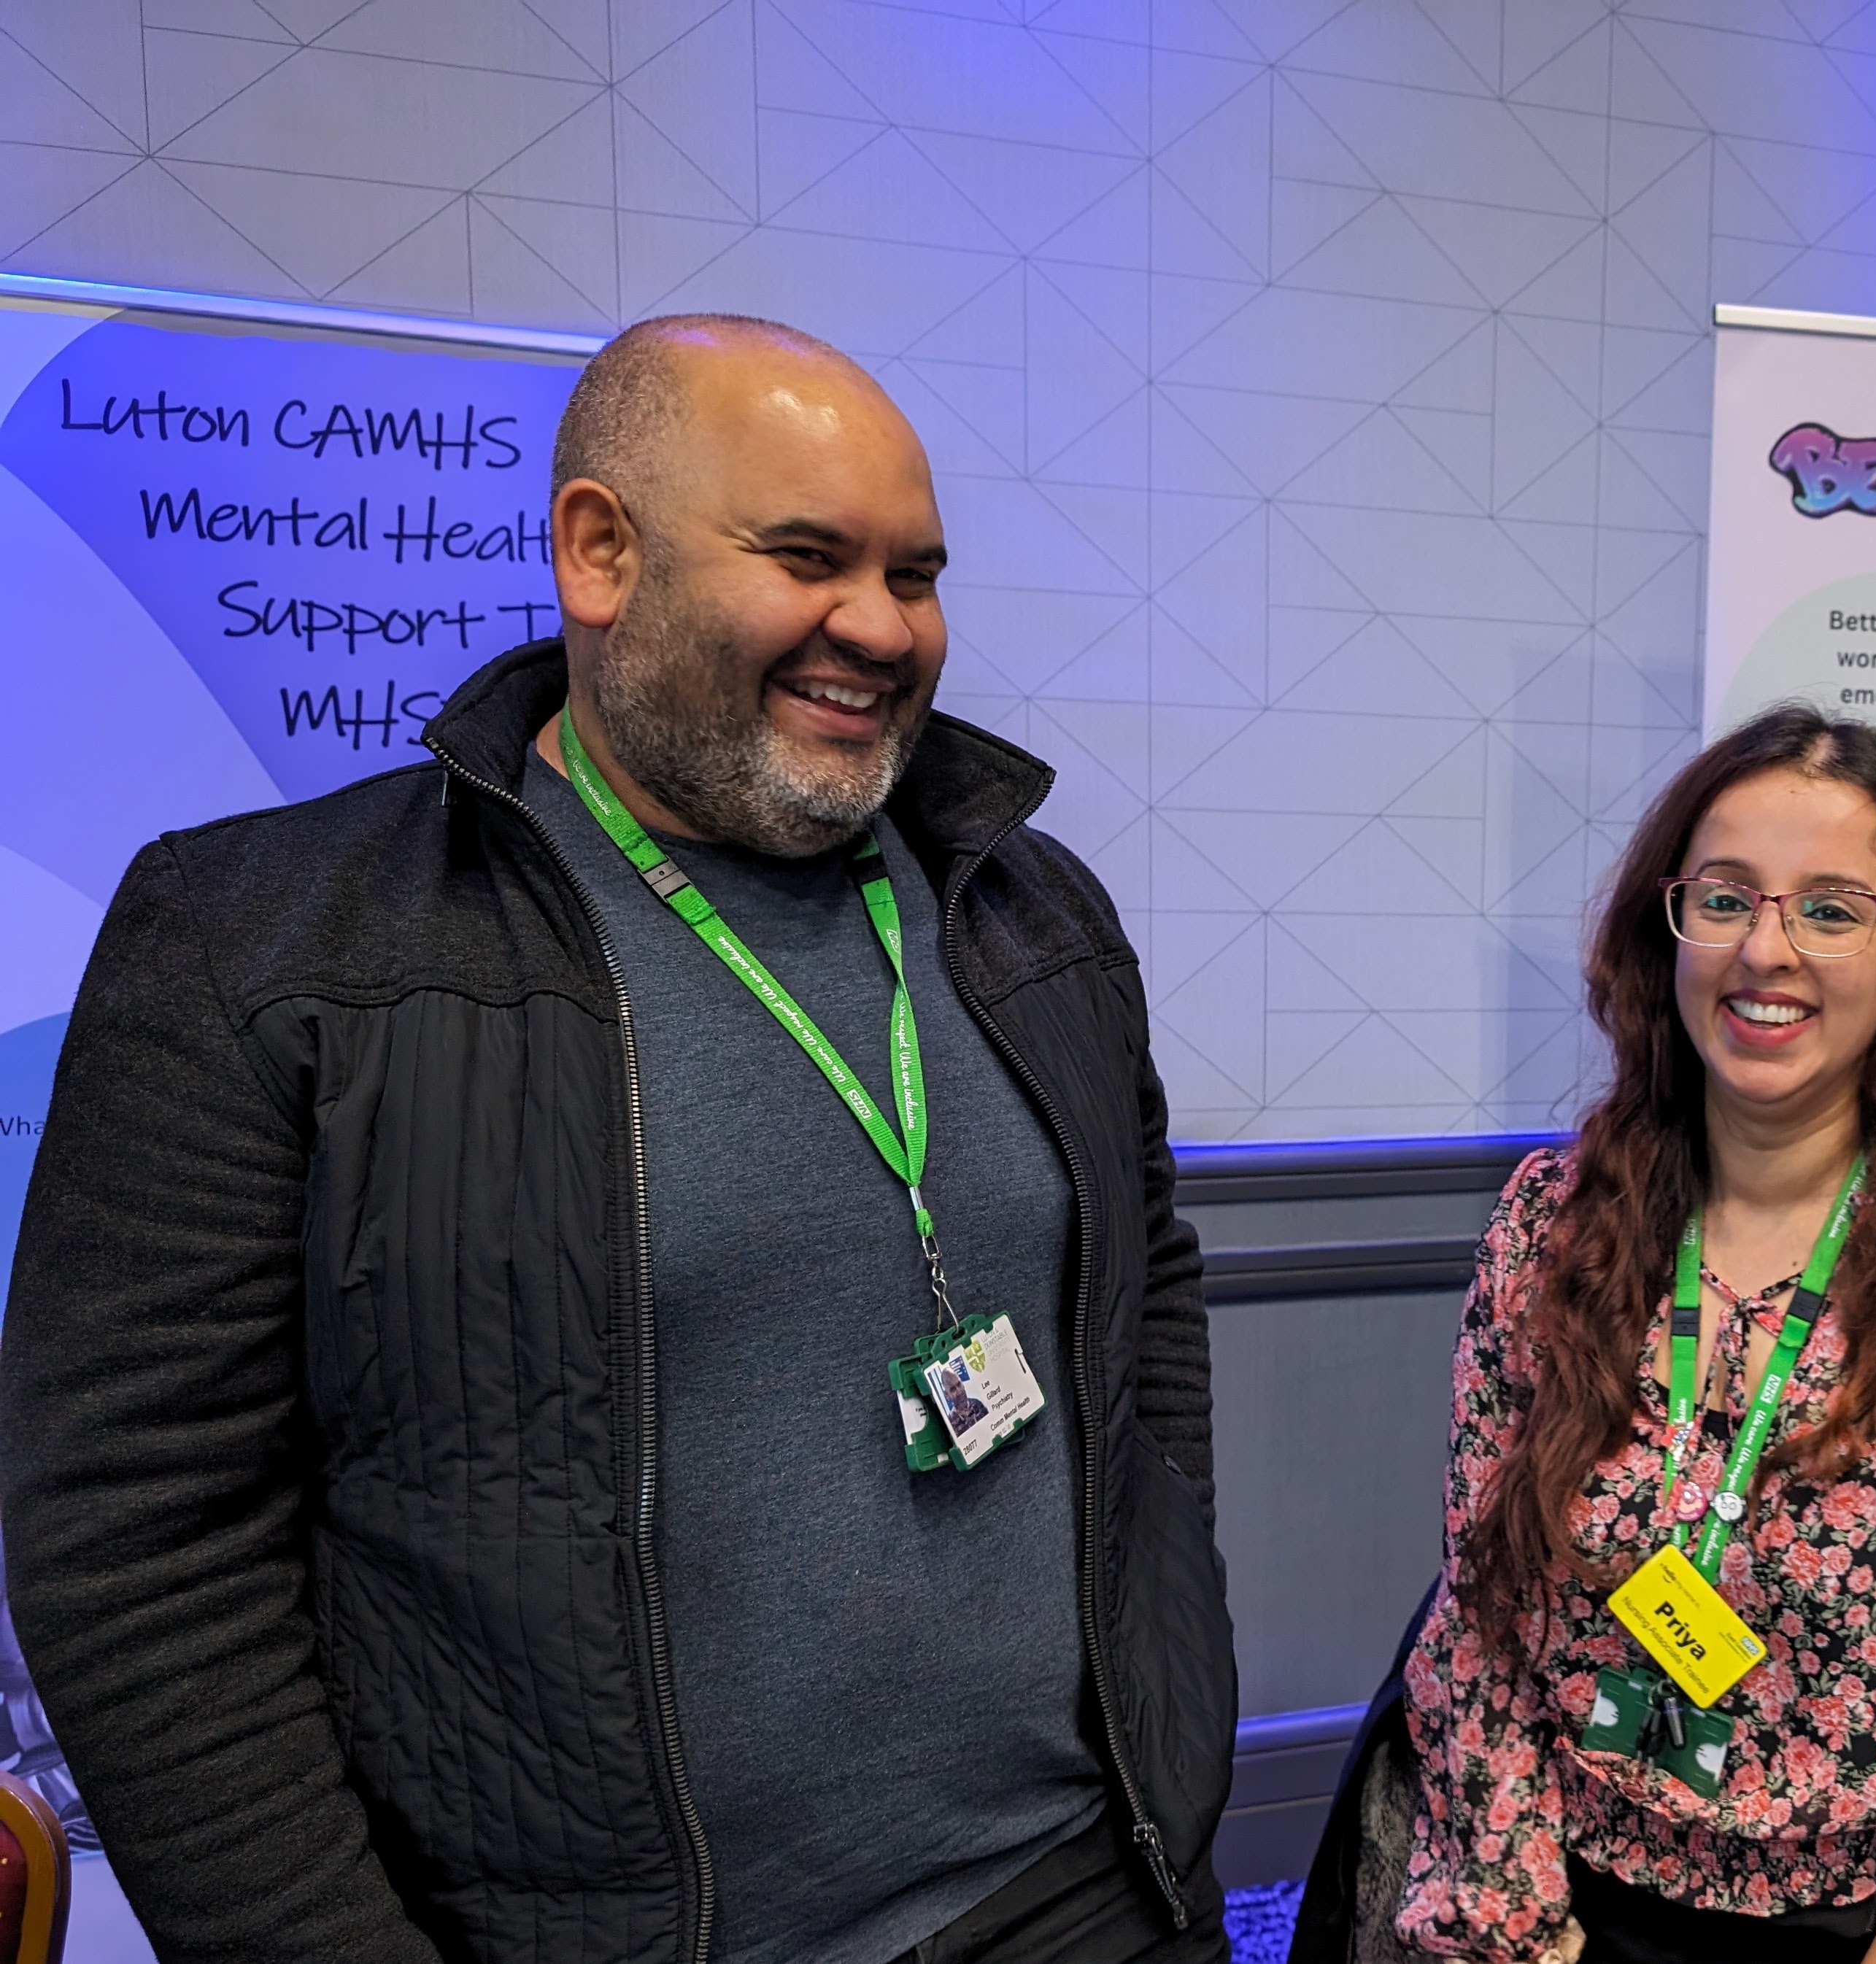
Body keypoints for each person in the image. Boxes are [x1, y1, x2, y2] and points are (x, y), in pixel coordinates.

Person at [0, 314, 1235, 1964]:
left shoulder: (1029, 910)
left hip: (1090, 1892)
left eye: (916, 574)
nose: (881, 627)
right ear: (600, 551)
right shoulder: (264, 947)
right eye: (807, 557)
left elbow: (1145, 1300)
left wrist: (1178, 1697)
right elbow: (141, 1546)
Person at [1296, 707, 1876, 1964]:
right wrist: (1522, 1928)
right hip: (1565, 1900)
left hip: (1868, 1927)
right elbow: (1480, 1621)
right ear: (1668, 927)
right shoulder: (1547, 1229)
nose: (1765, 950)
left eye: (1832, 910)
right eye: (1726, 898)